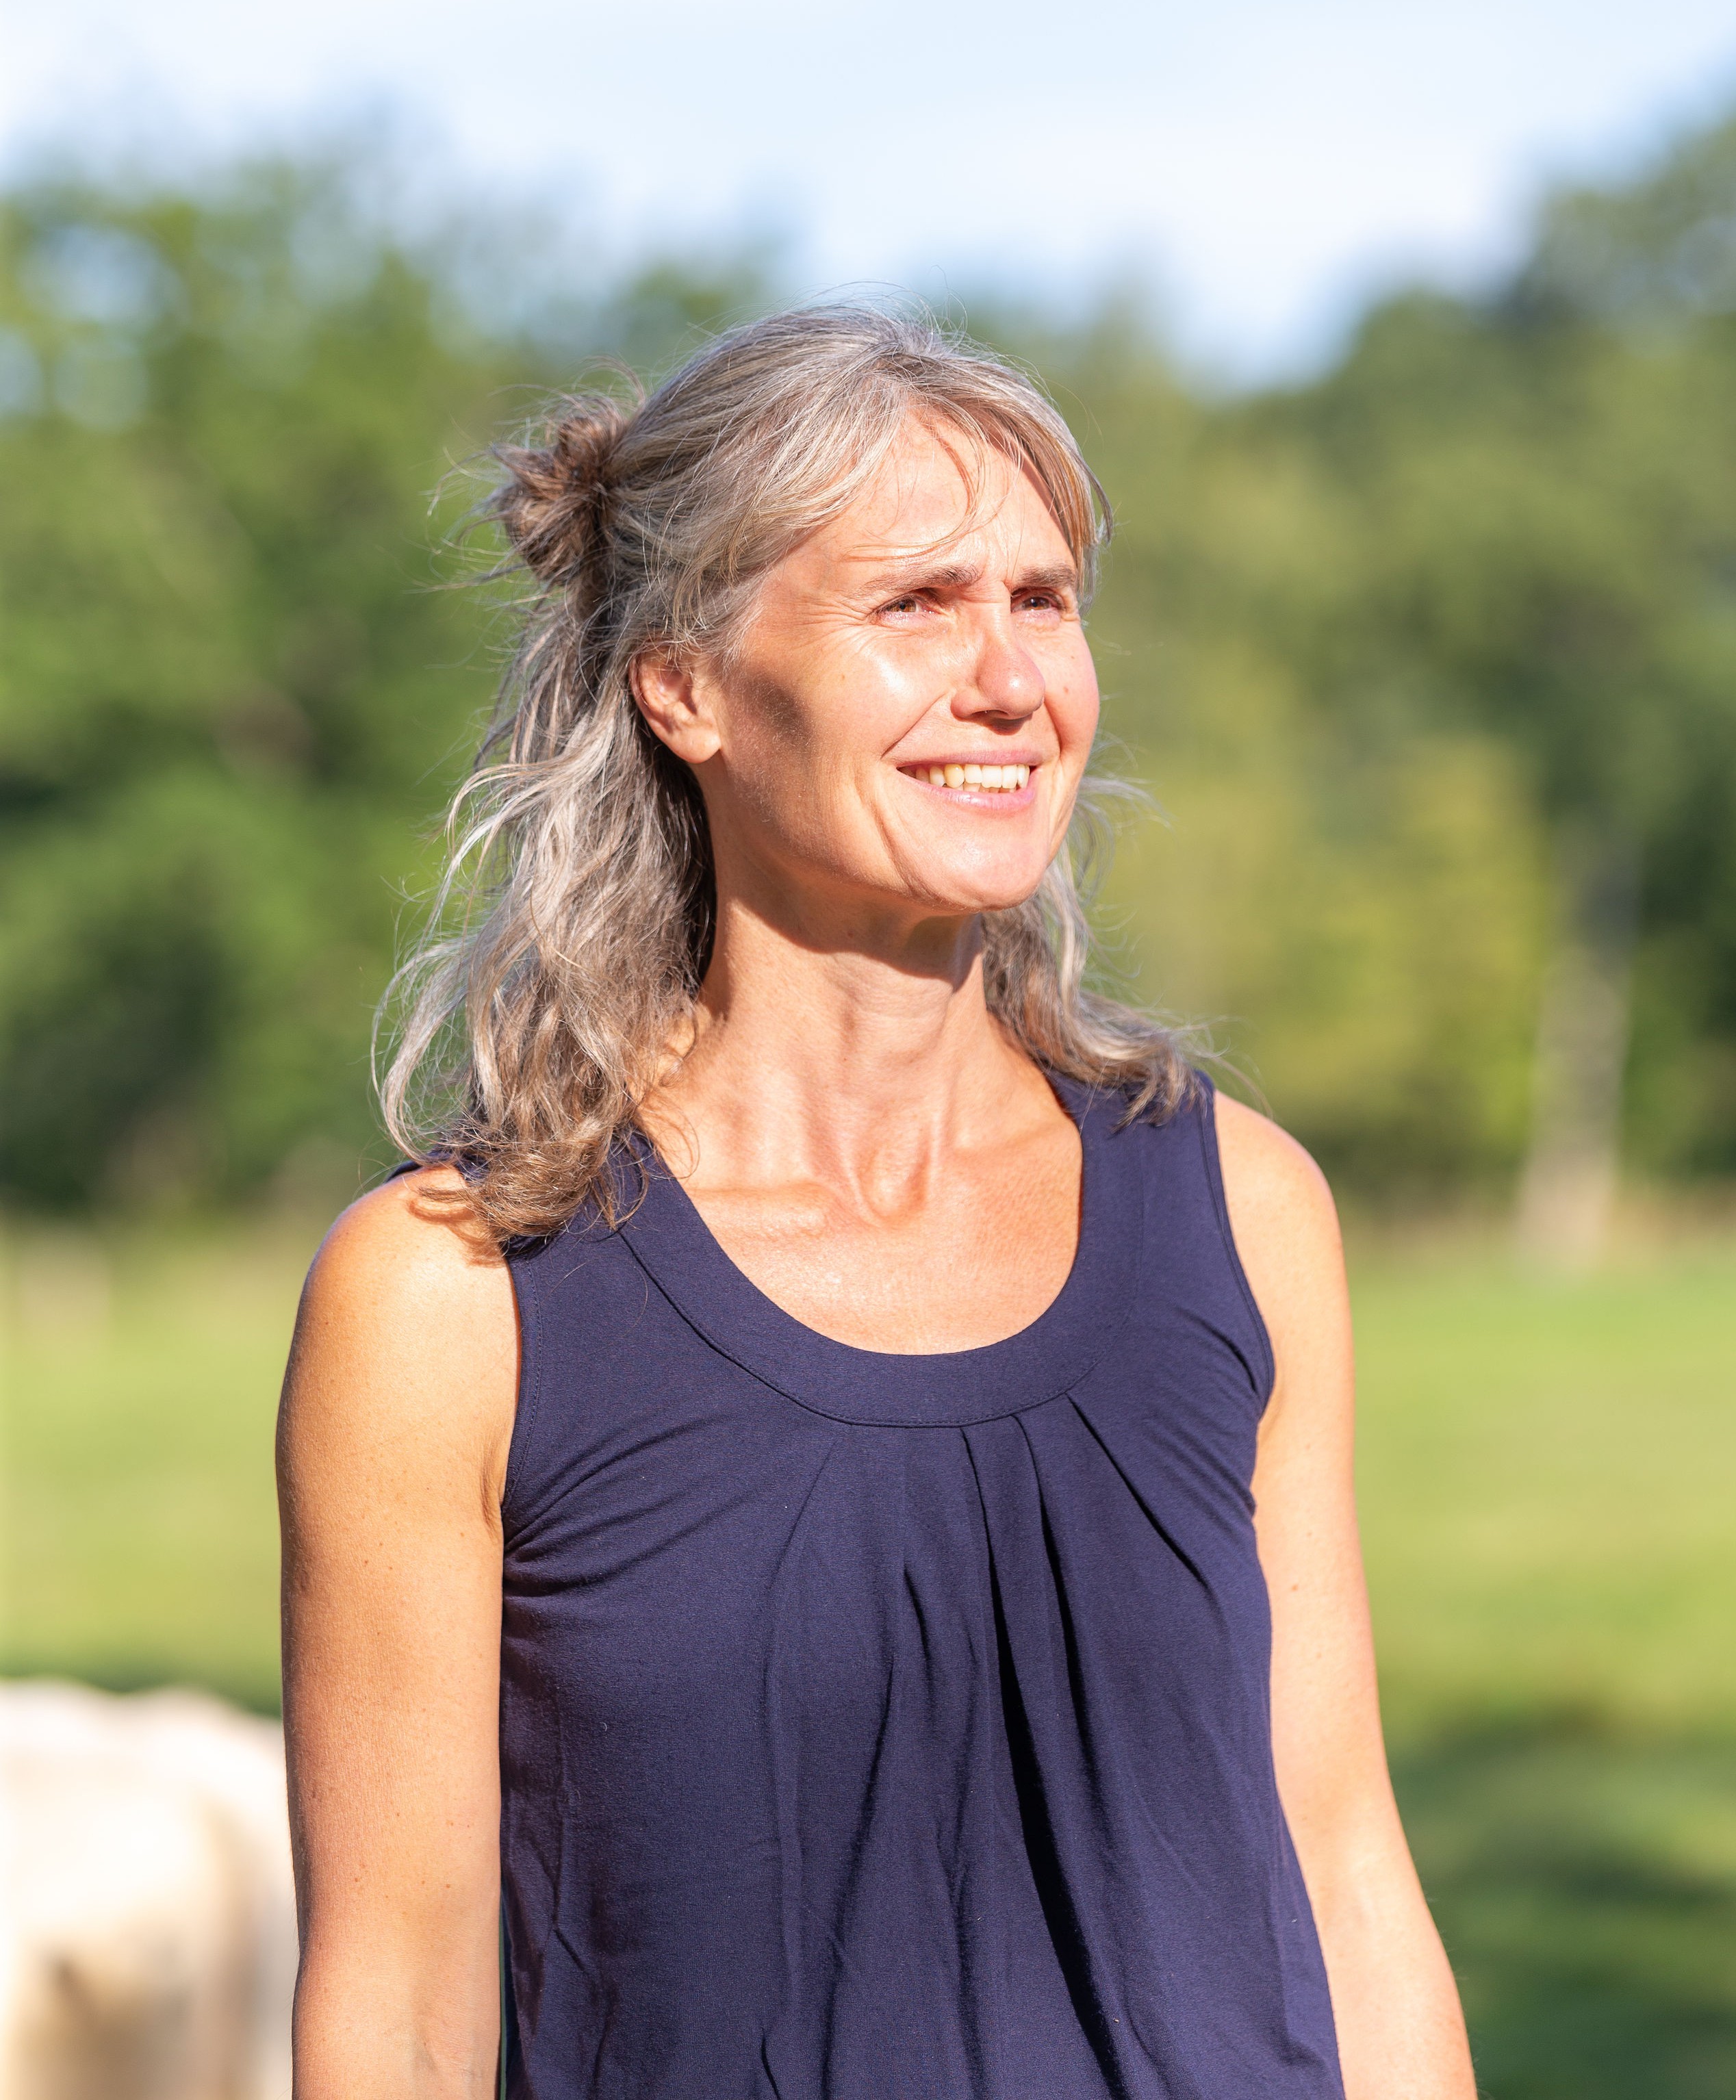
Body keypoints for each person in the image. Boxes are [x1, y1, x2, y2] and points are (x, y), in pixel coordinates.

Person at [278, 304, 1477, 2100]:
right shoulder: (452, 1294)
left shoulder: (1242, 1207)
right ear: (684, 686)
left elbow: (1345, 1863)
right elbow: (399, 2012)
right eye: (915, 604)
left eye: (1044, 599)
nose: (1010, 678)